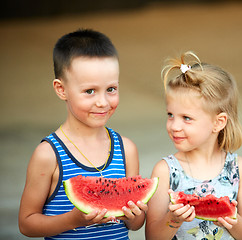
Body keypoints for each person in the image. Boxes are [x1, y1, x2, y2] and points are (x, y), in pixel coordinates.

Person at [18, 29, 147, 239]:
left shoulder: (126, 149)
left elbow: (136, 224)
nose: (103, 102)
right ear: (61, 89)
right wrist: (73, 220)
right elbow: (27, 223)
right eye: (90, 91)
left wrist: (133, 215)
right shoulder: (48, 155)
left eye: (111, 89)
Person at [146, 51, 242, 239]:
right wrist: (173, 219)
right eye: (170, 115)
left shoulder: (240, 169)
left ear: (218, 122)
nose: (174, 126)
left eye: (187, 118)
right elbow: (152, 237)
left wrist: (233, 220)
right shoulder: (165, 170)